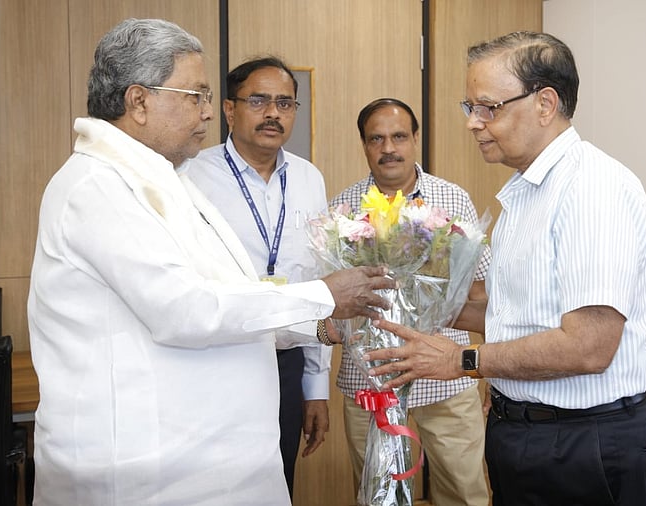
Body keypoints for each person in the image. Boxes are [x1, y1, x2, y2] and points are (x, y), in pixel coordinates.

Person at [26, 18, 394, 506]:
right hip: (144, 465)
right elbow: (187, 310)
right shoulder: (99, 186)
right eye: (194, 96)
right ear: (139, 102)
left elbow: (232, 293)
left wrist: (321, 327)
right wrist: (324, 296)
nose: (207, 113)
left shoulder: (162, 178)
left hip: (205, 459)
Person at [365, 32, 646, 506]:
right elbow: (515, 316)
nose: (474, 123)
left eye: (488, 107)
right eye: (470, 107)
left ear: (545, 103)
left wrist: (463, 361)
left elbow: (589, 346)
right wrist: (407, 299)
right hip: (526, 434)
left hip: (584, 443)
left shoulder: (592, 189)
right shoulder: (525, 191)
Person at [330, 98, 491, 506]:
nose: (389, 148)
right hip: (371, 383)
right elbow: (331, 302)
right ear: (364, 145)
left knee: (465, 494)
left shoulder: (451, 200)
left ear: (415, 139)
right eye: (377, 139)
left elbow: (480, 294)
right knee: (378, 496)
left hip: (447, 380)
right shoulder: (342, 211)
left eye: (399, 136)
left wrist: (487, 368)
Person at [184, 56, 330, 499]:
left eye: (285, 103)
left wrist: (315, 387)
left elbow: (318, 286)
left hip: (284, 364)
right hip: (215, 364)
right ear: (230, 110)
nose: (273, 113)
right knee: (213, 487)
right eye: (259, 100)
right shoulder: (192, 176)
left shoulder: (309, 179)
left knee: (277, 482)